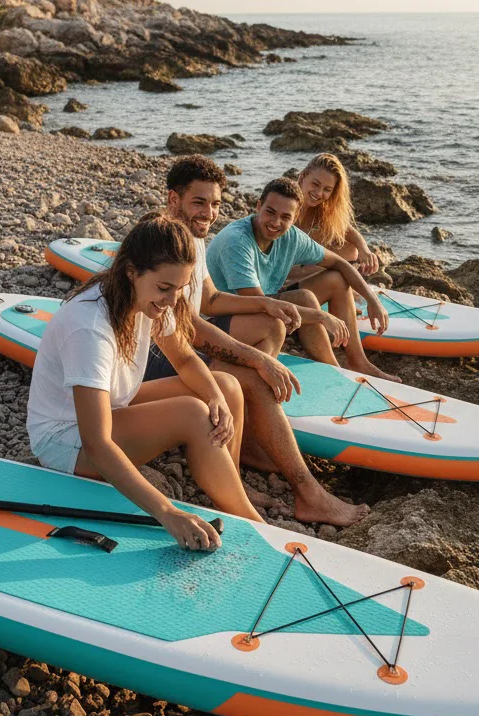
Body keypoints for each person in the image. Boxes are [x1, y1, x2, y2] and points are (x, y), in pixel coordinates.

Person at [151, 155, 370, 527]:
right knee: (248, 374)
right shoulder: (163, 245)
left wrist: (267, 304)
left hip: (177, 347)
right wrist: (255, 358)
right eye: (198, 202)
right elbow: (188, 328)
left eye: (215, 204)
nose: (209, 213)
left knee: (256, 355)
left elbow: (209, 301)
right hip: (152, 363)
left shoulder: (194, 241)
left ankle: (246, 454)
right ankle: (307, 493)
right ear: (174, 200)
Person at [26, 215, 260, 551]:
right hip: (66, 438)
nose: (171, 300)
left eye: (179, 289)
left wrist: (216, 398)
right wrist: (167, 512)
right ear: (131, 271)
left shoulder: (145, 298)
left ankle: (230, 492)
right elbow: (98, 443)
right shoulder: (89, 327)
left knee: (225, 387)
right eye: (164, 288)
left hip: (113, 405)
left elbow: (184, 359)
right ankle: (254, 523)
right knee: (193, 413)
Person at [205, 177, 391, 377]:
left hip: (262, 302)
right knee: (303, 303)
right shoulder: (237, 242)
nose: (276, 223)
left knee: (332, 282)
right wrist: (322, 316)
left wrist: (372, 300)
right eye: (270, 212)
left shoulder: (292, 237)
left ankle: (351, 364)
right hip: (219, 320)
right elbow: (260, 304)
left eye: (285, 217)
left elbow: (339, 263)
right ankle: (330, 370)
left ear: (295, 218)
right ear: (258, 207)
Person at [287, 153, 399, 382]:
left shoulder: (320, 210)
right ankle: (342, 362)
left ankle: (359, 362)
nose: (319, 193)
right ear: (303, 177)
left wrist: (365, 250)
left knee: (348, 258)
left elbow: (347, 230)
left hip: (299, 282)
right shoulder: (286, 204)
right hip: (276, 288)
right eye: (315, 184)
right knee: (338, 273)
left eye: (327, 190)